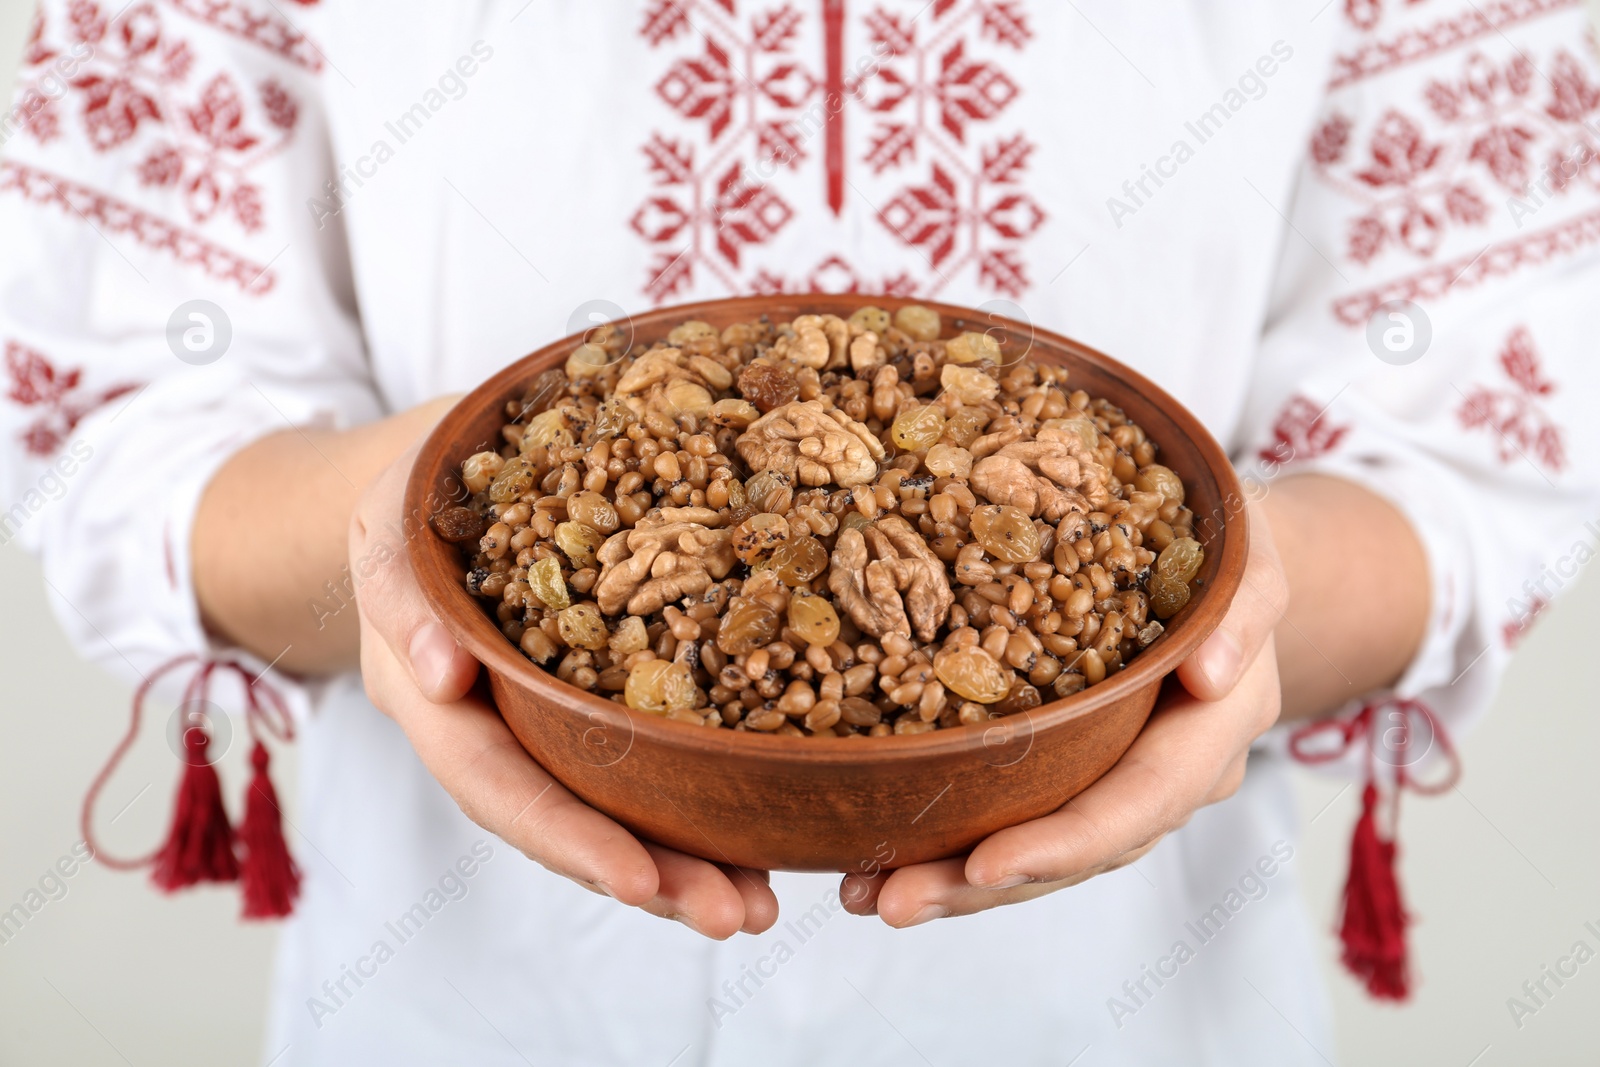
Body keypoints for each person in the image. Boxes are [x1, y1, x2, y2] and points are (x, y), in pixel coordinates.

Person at [3, 1, 1597, 1063]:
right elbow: (139, 420)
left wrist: (1252, 613)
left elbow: (1466, 447)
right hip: (465, 999)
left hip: (1124, 1008)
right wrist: (404, 550)